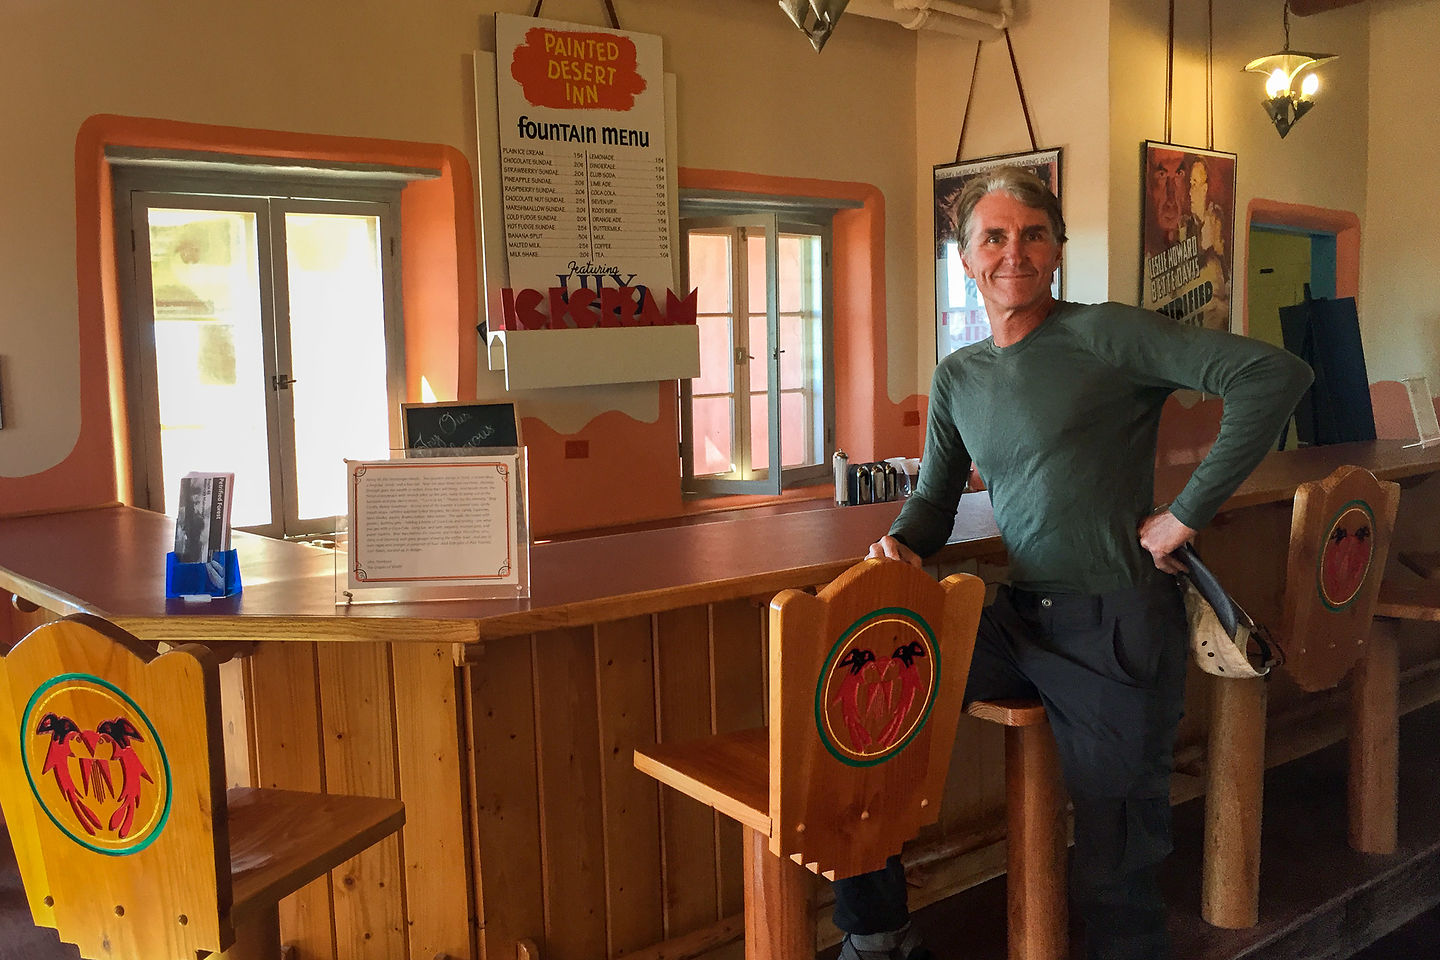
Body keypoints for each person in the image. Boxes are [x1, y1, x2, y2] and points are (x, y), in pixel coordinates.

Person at [835, 167, 1312, 960]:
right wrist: (899, 544)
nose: (1012, 253)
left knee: (1112, 864)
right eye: (993, 236)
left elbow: (1273, 375)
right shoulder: (959, 376)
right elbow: (934, 503)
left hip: (1113, 624)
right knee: (866, 720)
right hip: (1018, 618)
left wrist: (1184, 514)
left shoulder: (1107, 335)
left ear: (1057, 249)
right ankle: (878, 931)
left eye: (1032, 234)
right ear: (966, 258)